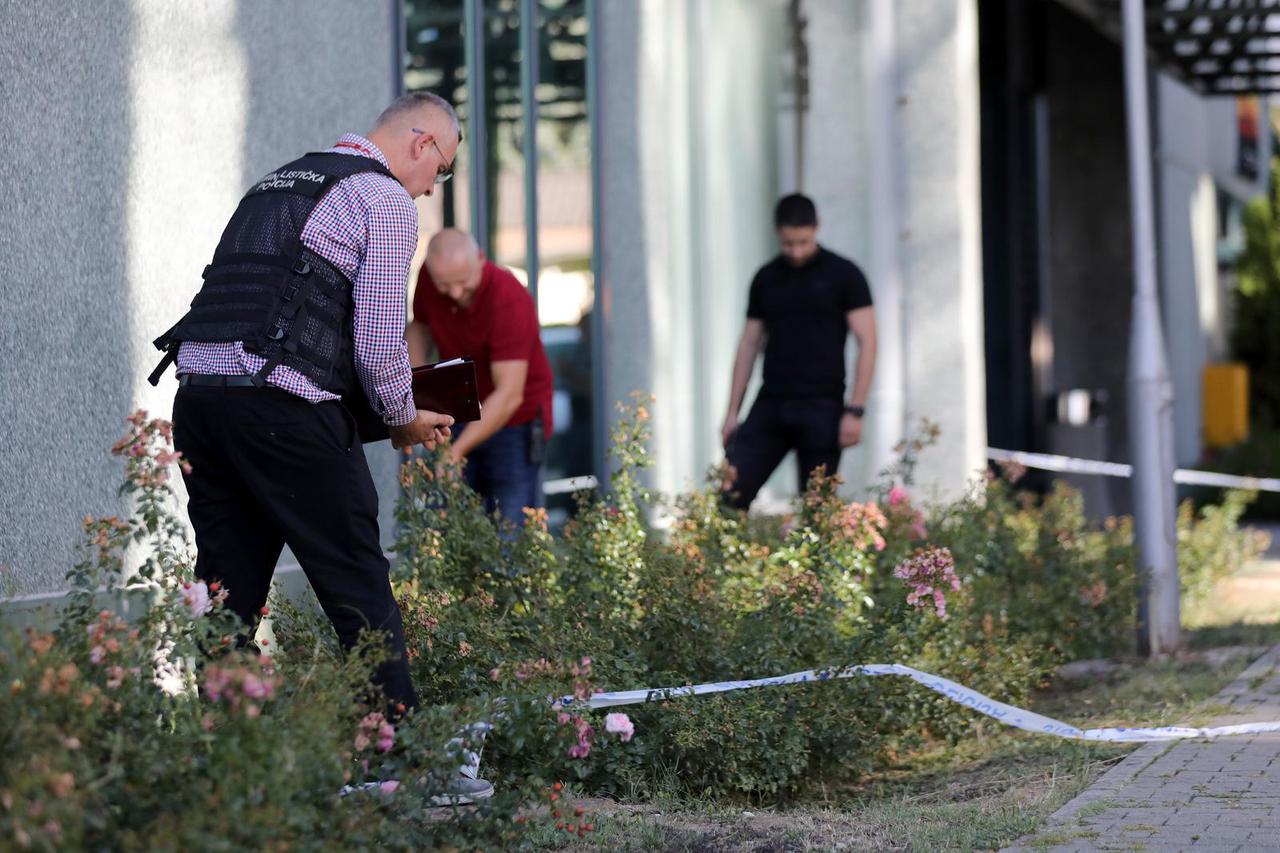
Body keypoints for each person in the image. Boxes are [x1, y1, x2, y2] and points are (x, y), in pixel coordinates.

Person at [148, 93, 492, 802]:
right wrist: (403, 417)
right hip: (284, 412)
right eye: (442, 171)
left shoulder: (279, 182)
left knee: (227, 593)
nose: (433, 189)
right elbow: (376, 341)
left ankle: (231, 770)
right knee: (357, 581)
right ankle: (405, 764)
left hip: (202, 403)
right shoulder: (383, 198)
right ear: (422, 144)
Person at [721, 193, 878, 510]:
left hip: (823, 406)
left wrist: (855, 409)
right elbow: (749, 343)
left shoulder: (845, 275)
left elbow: (868, 341)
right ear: (777, 234)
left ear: (817, 227)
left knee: (816, 510)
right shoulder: (766, 279)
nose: (796, 251)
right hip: (772, 404)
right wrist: (732, 412)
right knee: (731, 494)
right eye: (788, 243)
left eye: (803, 242)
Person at [406, 229, 554, 529]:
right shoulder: (431, 279)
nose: (455, 293)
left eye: (463, 282)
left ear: (481, 260)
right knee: (444, 521)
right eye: (444, 285)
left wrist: (455, 452)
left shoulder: (508, 297)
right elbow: (419, 328)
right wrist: (420, 391)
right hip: (459, 409)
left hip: (515, 421)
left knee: (510, 527)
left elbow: (509, 395)